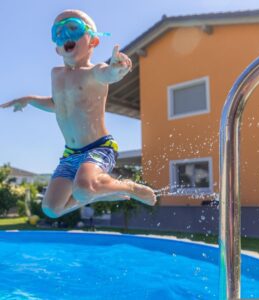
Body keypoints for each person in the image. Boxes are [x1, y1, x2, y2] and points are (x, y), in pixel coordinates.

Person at [0, 9, 157, 218]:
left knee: (83, 188)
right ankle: (96, 193)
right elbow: (58, 104)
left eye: (73, 28)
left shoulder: (95, 72)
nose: (66, 35)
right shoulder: (56, 75)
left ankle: (128, 187)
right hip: (70, 154)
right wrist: (28, 99)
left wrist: (118, 67)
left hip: (99, 148)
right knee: (51, 209)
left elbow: (109, 74)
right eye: (59, 31)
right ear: (57, 48)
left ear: (93, 41)